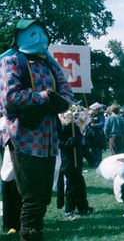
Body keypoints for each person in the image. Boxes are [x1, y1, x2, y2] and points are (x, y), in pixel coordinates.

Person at [0, 19, 73, 240]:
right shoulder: (12, 61)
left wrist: (55, 100)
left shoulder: (51, 64)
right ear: (20, 37)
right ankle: (30, 234)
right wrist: (44, 97)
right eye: (32, 33)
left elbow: (67, 95)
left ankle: (35, 231)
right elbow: (9, 98)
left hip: (49, 140)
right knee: (32, 197)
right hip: (23, 137)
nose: (39, 37)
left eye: (42, 33)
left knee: (42, 196)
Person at [58, 110, 95, 221]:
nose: (72, 117)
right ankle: (69, 211)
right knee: (72, 187)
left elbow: (81, 145)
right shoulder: (62, 128)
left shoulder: (76, 128)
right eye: (68, 115)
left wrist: (89, 158)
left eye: (73, 115)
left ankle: (83, 208)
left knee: (80, 185)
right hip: (68, 161)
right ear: (63, 116)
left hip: (77, 161)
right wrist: (70, 141)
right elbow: (60, 143)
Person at [82, 103, 106, 167]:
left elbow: (102, 124)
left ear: (96, 110)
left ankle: (98, 162)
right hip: (91, 135)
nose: (92, 110)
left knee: (98, 149)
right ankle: (94, 162)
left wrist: (95, 125)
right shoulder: (91, 116)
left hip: (98, 135)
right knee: (92, 148)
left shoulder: (101, 116)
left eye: (93, 109)